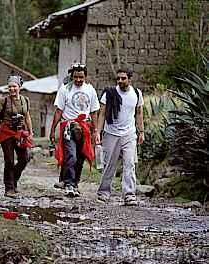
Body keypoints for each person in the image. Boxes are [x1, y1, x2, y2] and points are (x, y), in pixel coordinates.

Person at [95, 69, 144, 206]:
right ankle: (104, 192)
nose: (120, 81)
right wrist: (98, 133)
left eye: (123, 78)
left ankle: (129, 194)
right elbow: (102, 114)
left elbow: (139, 113)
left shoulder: (136, 94)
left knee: (129, 164)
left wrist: (141, 132)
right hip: (111, 133)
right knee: (109, 164)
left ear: (130, 79)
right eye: (118, 79)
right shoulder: (109, 94)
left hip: (129, 134)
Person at [50, 63, 100, 197]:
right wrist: (52, 129)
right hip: (68, 127)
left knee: (80, 157)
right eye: (76, 77)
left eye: (81, 77)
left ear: (85, 77)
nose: (78, 80)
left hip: (85, 127)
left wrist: (95, 131)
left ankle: (74, 182)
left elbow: (94, 112)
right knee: (70, 155)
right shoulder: (65, 89)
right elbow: (59, 110)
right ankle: (69, 184)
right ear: (72, 76)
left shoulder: (90, 90)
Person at [0, 75, 34, 198]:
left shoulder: (25, 100)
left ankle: (14, 180)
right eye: (10, 86)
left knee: (24, 159)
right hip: (6, 132)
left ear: (19, 87)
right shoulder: (4, 100)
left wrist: (30, 132)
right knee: (9, 161)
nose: (12, 89)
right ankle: (9, 188)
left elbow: (27, 116)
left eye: (14, 86)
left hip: (20, 132)